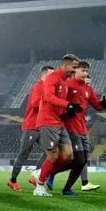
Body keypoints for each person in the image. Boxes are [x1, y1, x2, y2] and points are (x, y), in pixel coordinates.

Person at [32, 54, 81, 196]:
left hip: (58, 122)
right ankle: (39, 187)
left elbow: (58, 103)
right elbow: (48, 97)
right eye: (74, 67)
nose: (75, 70)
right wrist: (68, 104)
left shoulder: (65, 82)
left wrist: (67, 111)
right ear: (65, 65)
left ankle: (41, 173)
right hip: (47, 121)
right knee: (52, 156)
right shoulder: (52, 78)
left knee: (68, 155)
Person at [60, 61, 106, 195]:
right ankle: (57, 180)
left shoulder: (88, 89)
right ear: (75, 70)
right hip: (70, 127)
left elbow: (97, 105)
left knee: (82, 160)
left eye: (87, 71)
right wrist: (65, 112)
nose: (85, 74)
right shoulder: (68, 86)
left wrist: (103, 105)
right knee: (78, 160)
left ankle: (66, 184)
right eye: (83, 71)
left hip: (82, 128)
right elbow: (59, 102)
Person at [8, 66, 53, 192]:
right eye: (51, 75)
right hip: (31, 126)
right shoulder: (38, 87)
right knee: (23, 154)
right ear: (43, 75)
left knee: (49, 152)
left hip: (42, 126)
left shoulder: (48, 88)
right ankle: (12, 180)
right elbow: (34, 104)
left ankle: (35, 175)